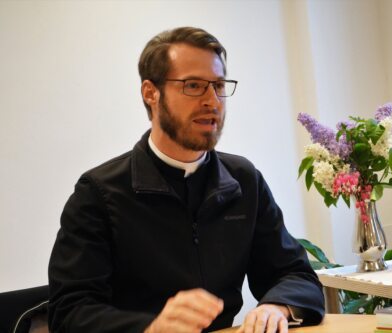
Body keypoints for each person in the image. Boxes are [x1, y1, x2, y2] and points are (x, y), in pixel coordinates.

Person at [48, 27, 325, 333]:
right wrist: (151, 328)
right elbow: (69, 313)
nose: (213, 101)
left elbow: (296, 275)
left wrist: (277, 306)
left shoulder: (243, 180)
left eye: (218, 86)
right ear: (150, 93)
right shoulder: (98, 193)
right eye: (193, 85)